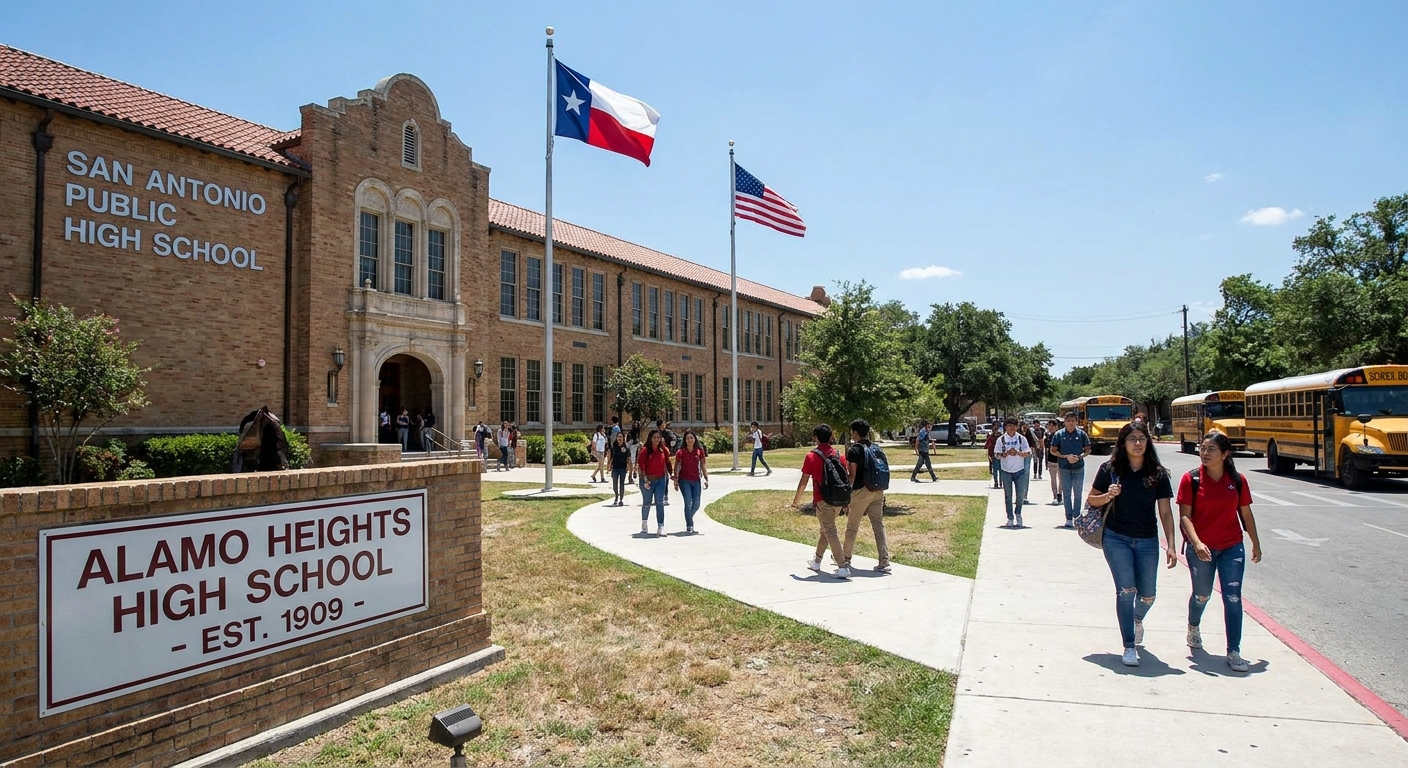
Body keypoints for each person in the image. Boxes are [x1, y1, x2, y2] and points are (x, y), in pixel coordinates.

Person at [1087, 422, 1178, 667]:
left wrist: (1171, 544)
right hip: (1116, 537)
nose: (1137, 443)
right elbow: (1091, 500)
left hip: (1147, 539)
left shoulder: (1157, 473)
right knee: (1126, 591)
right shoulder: (1110, 469)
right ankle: (1128, 645)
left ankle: (1136, 619)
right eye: (1132, 439)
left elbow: (1166, 512)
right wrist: (1108, 495)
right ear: (1123, 443)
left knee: (1148, 595)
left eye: (1142, 438)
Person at [1178, 431, 1264, 673]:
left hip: (1231, 546)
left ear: (1225, 454)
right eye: (1202, 448)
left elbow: (1245, 514)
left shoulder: (1237, 480)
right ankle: (1193, 626)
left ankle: (1234, 650)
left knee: (1233, 597)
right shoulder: (1191, 479)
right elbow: (1185, 516)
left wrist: (1255, 543)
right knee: (1202, 595)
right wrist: (1196, 543)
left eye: (1211, 449)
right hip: (1201, 548)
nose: (1204, 453)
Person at [792, 423, 850, 579]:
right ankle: (817, 561)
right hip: (838, 500)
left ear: (815, 438)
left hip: (822, 500)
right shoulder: (839, 455)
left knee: (830, 531)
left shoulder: (811, 456)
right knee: (825, 530)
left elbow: (804, 480)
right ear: (831, 437)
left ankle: (843, 566)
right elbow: (846, 478)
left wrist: (796, 500)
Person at [844, 419, 891, 572]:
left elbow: (851, 476)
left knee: (852, 527)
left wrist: (846, 496)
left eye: (852, 431)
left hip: (861, 491)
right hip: (877, 490)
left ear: (856, 433)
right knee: (878, 525)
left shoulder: (854, 450)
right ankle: (884, 561)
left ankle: (845, 558)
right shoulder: (876, 448)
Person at [1049, 412, 1092, 528]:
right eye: (1068, 421)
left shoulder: (1082, 434)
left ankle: (1077, 517)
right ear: (1065, 422)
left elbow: (1088, 449)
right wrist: (1065, 456)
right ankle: (1068, 518)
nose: (1071, 423)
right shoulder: (1059, 434)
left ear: (1076, 422)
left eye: (1073, 421)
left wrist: (1079, 457)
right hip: (1064, 467)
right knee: (1066, 493)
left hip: (1078, 467)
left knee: (1078, 493)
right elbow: (1053, 450)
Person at [996, 418, 1032, 528]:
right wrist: (1005, 454)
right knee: (1008, 495)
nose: (1012, 428)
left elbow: (1028, 452)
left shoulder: (1022, 439)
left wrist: (1018, 453)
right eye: (1009, 426)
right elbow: (997, 455)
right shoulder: (1001, 440)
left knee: (1020, 494)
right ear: (1005, 427)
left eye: (1014, 426)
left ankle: (1018, 513)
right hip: (1006, 470)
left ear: (1017, 427)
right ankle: (1010, 517)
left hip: (1019, 470)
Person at [637, 429, 672, 536]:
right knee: (647, 503)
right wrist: (645, 480)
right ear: (650, 439)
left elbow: (667, 462)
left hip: (660, 479)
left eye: (658, 437)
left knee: (659, 503)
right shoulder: (645, 450)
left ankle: (661, 526)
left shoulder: (663, 450)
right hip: (647, 480)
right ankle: (644, 523)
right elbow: (641, 466)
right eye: (654, 438)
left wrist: (672, 474)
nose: (656, 440)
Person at [672, 430, 709, 533]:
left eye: (692, 438)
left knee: (696, 504)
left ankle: (689, 517)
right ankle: (690, 525)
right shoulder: (681, 452)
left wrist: (706, 478)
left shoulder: (699, 451)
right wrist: (676, 480)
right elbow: (677, 466)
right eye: (688, 438)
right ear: (685, 440)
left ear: (694, 439)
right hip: (684, 480)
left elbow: (703, 465)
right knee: (688, 502)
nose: (690, 440)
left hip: (696, 480)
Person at [608, 429, 632, 506]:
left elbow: (628, 458)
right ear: (616, 438)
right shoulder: (613, 447)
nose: (620, 438)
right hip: (615, 468)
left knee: (622, 484)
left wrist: (629, 467)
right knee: (615, 484)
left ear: (624, 438)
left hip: (623, 468)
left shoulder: (626, 448)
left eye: (621, 437)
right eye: (618, 437)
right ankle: (616, 496)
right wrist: (609, 466)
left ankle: (621, 499)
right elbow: (610, 458)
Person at [1044, 419, 1062, 506]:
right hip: (1051, 460)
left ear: (1056, 427)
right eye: (1049, 425)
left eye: (1052, 426)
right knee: (1053, 479)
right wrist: (1046, 462)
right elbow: (1046, 449)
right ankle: (1055, 496)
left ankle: (1060, 495)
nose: (1050, 427)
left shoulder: (1060, 436)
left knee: (1061, 479)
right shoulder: (1048, 436)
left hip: (1060, 460)